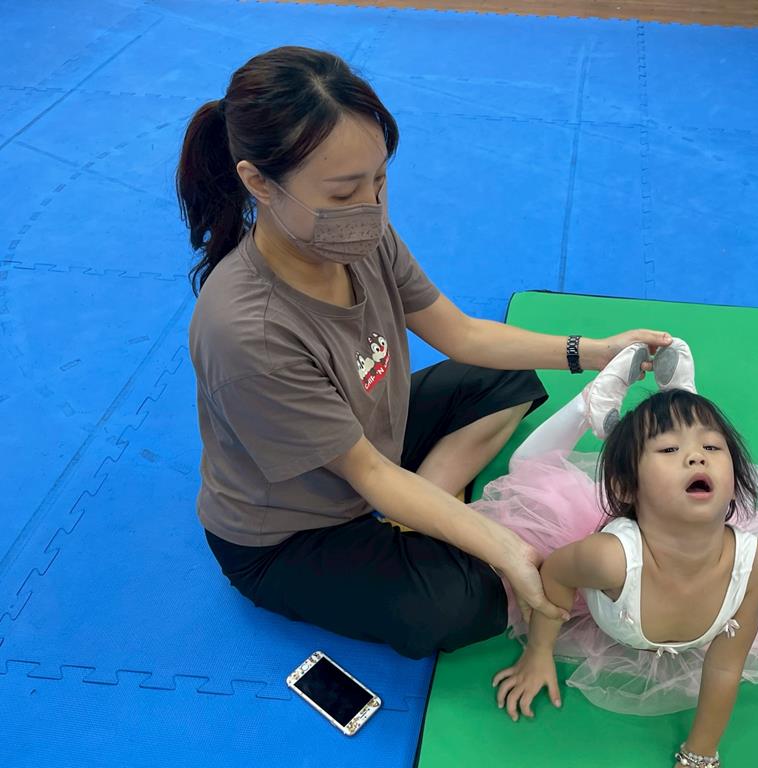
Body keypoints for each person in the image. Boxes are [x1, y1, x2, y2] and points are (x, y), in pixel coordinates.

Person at [176, 45, 672, 659]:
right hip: (293, 533)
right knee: (467, 602)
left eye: (379, 180)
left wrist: (595, 351)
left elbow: (461, 335)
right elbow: (370, 475)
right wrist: (503, 547)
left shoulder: (358, 236)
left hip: (371, 445)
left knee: (506, 379)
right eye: (344, 192)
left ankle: (419, 511)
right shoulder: (249, 331)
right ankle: (422, 520)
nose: (371, 207)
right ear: (259, 183)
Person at [475, 339, 758, 767]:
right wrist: (538, 652)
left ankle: (679, 400)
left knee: (683, 445)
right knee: (529, 472)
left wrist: (700, 754)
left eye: (713, 448)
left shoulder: (755, 565)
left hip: (668, 531)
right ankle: (590, 406)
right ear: (627, 488)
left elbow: (725, 665)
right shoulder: (607, 559)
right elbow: (554, 573)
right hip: (619, 540)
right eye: (669, 450)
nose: (697, 458)